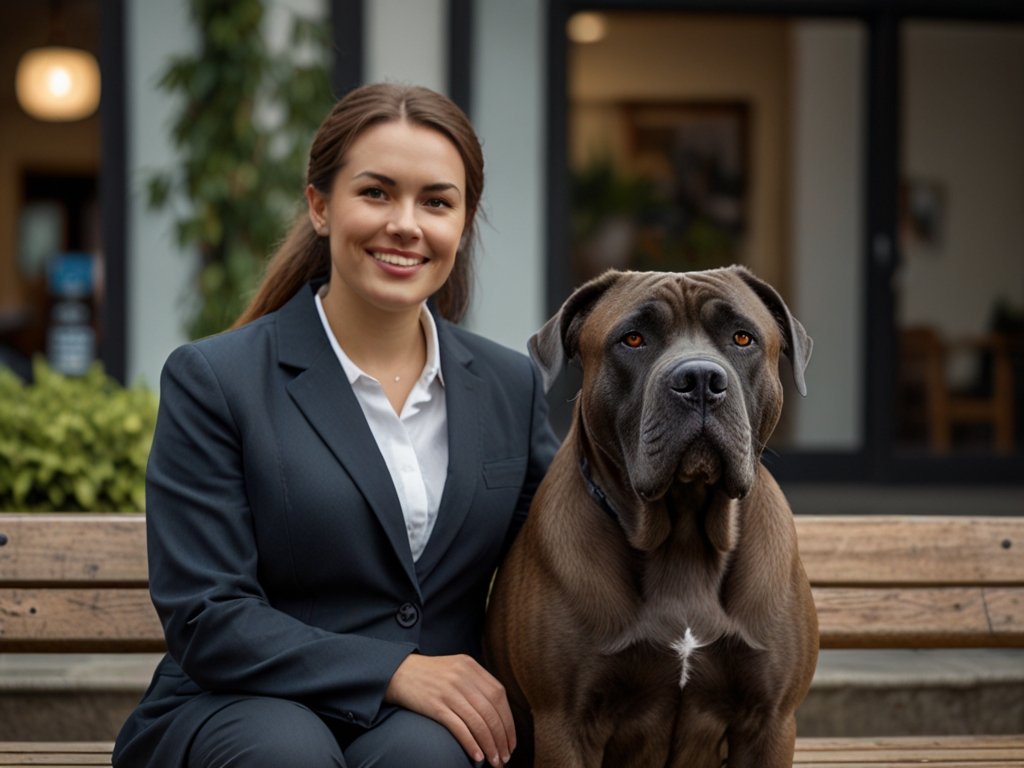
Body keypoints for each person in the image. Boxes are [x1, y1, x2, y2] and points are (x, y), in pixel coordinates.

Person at [112, 83, 558, 768]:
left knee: (428, 758)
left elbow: (566, 553)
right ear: (320, 206)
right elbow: (206, 615)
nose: (406, 224)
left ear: (462, 225)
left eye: (436, 201)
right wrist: (396, 670)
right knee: (285, 751)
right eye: (376, 193)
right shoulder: (215, 380)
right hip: (238, 703)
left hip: (426, 721)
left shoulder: (511, 386)